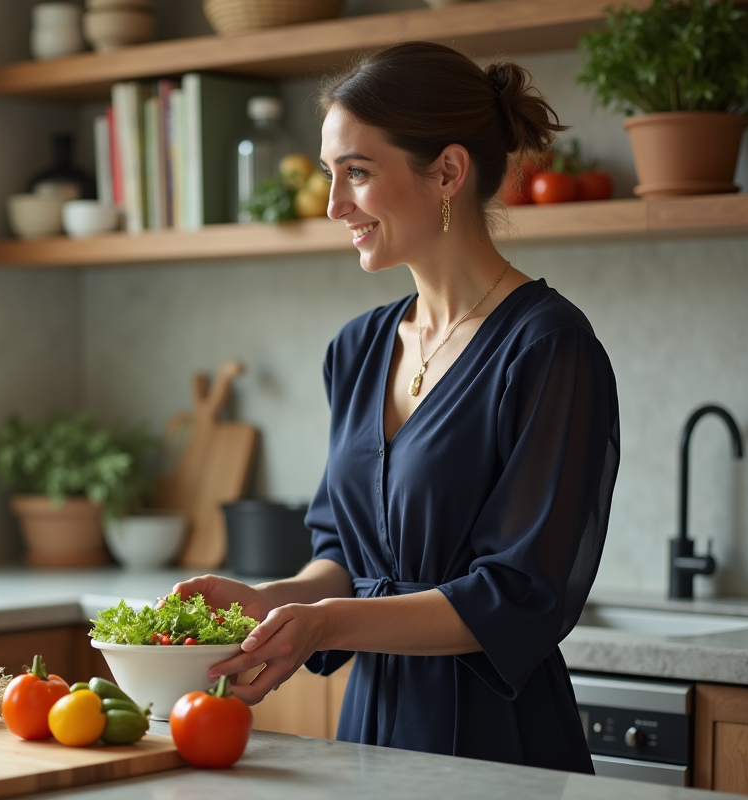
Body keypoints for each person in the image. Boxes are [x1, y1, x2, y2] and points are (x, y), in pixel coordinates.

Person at [174, 42, 620, 773]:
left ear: (447, 170)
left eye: (357, 172)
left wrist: (323, 626)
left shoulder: (548, 349)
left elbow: (520, 594)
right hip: (372, 735)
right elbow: (347, 555)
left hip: (498, 747)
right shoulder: (357, 349)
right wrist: (271, 600)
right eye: (330, 174)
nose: (332, 205)